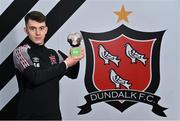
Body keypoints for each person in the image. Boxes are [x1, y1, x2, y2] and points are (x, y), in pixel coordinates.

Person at [13, 11, 84, 120]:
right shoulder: (21, 52)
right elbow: (35, 77)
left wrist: (75, 52)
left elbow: (73, 74)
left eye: (41, 28)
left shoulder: (53, 54)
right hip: (29, 117)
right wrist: (66, 63)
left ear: (46, 30)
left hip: (53, 117)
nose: (38, 33)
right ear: (26, 30)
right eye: (33, 28)